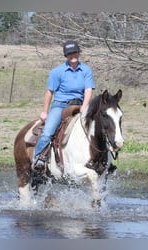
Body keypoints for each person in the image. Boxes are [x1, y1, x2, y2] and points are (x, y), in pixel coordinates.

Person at [33, 40, 96, 171]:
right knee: (48, 132)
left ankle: (101, 156)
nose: (73, 55)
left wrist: (85, 105)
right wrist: (45, 112)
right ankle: (38, 158)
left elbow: (88, 90)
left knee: (99, 126)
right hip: (60, 105)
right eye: (69, 53)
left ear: (79, 53)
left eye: (75, 52)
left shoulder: (86, 70)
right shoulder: (57, 72)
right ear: (66, 56)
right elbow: (49, 92)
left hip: (80, 104)